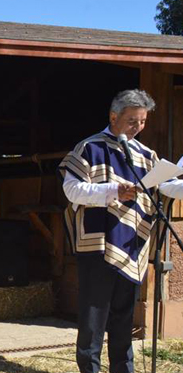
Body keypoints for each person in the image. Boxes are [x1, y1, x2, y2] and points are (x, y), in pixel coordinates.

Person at [60, 89, 183, 373]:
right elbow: (72, 190)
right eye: (131, 121)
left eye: (142, 122)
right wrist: (113, 190)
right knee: (94, 317)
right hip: (99, 244)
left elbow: (161, 187)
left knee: (124, 317)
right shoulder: (89, 147)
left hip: (131, 245)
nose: (137, 127)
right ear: (113, 116)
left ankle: (122, 368)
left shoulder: (145, 154)